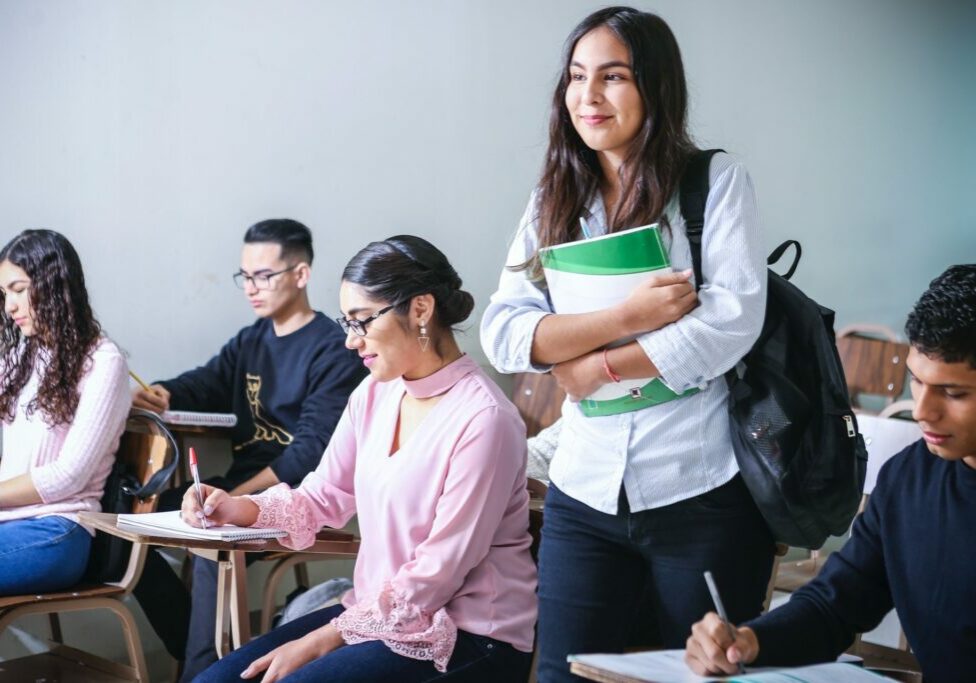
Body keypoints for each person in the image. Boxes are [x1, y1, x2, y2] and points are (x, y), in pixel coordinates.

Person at [480, 7, 774, 680]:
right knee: (562, 674)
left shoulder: (714, 183)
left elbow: (731, 321)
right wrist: (626, 318)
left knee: (699, 673)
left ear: (655, 87)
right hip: (584, 490)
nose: (588, 96)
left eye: (613, 77)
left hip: (699, 488)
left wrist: (594, 366)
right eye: (577, 77)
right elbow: (504, 331)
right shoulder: (554, 195)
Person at [188, 235, 537, 683]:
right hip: (376, 615)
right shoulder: (374, 392)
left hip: (469, 635)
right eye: (346, 323)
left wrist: (322, 639)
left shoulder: (485, 419)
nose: (352, 342)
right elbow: (323, 495)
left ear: (420, 309)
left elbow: (438, 572)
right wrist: (236, 507)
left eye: (361, 322)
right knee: (214, 681)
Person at [685, 264, 976, 683]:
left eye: (954, 393)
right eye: (916, 381)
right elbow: (835, 605)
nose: (924, 410)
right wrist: (750, 641)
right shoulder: (908, 480)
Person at [130, 218, 366, 677]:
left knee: (211, 548)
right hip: (239, 488)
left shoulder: (332, 348)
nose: (251, 289)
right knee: (136, 524)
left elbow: (309, 454)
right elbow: (207, 382)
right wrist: (164, 392)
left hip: (294, 496)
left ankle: (196, 672)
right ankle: (191, 646)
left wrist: (239, 499)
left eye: (264, 276)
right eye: (245, 277)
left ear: (300, 274)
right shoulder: (251, 340)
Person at [0, 229, 130, 595]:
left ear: (55, 283)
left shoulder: (103, 361)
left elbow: (67, 477)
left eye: (19, 289)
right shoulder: (19, 359)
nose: (9, 306)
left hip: (57, 531)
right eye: (4, 294)